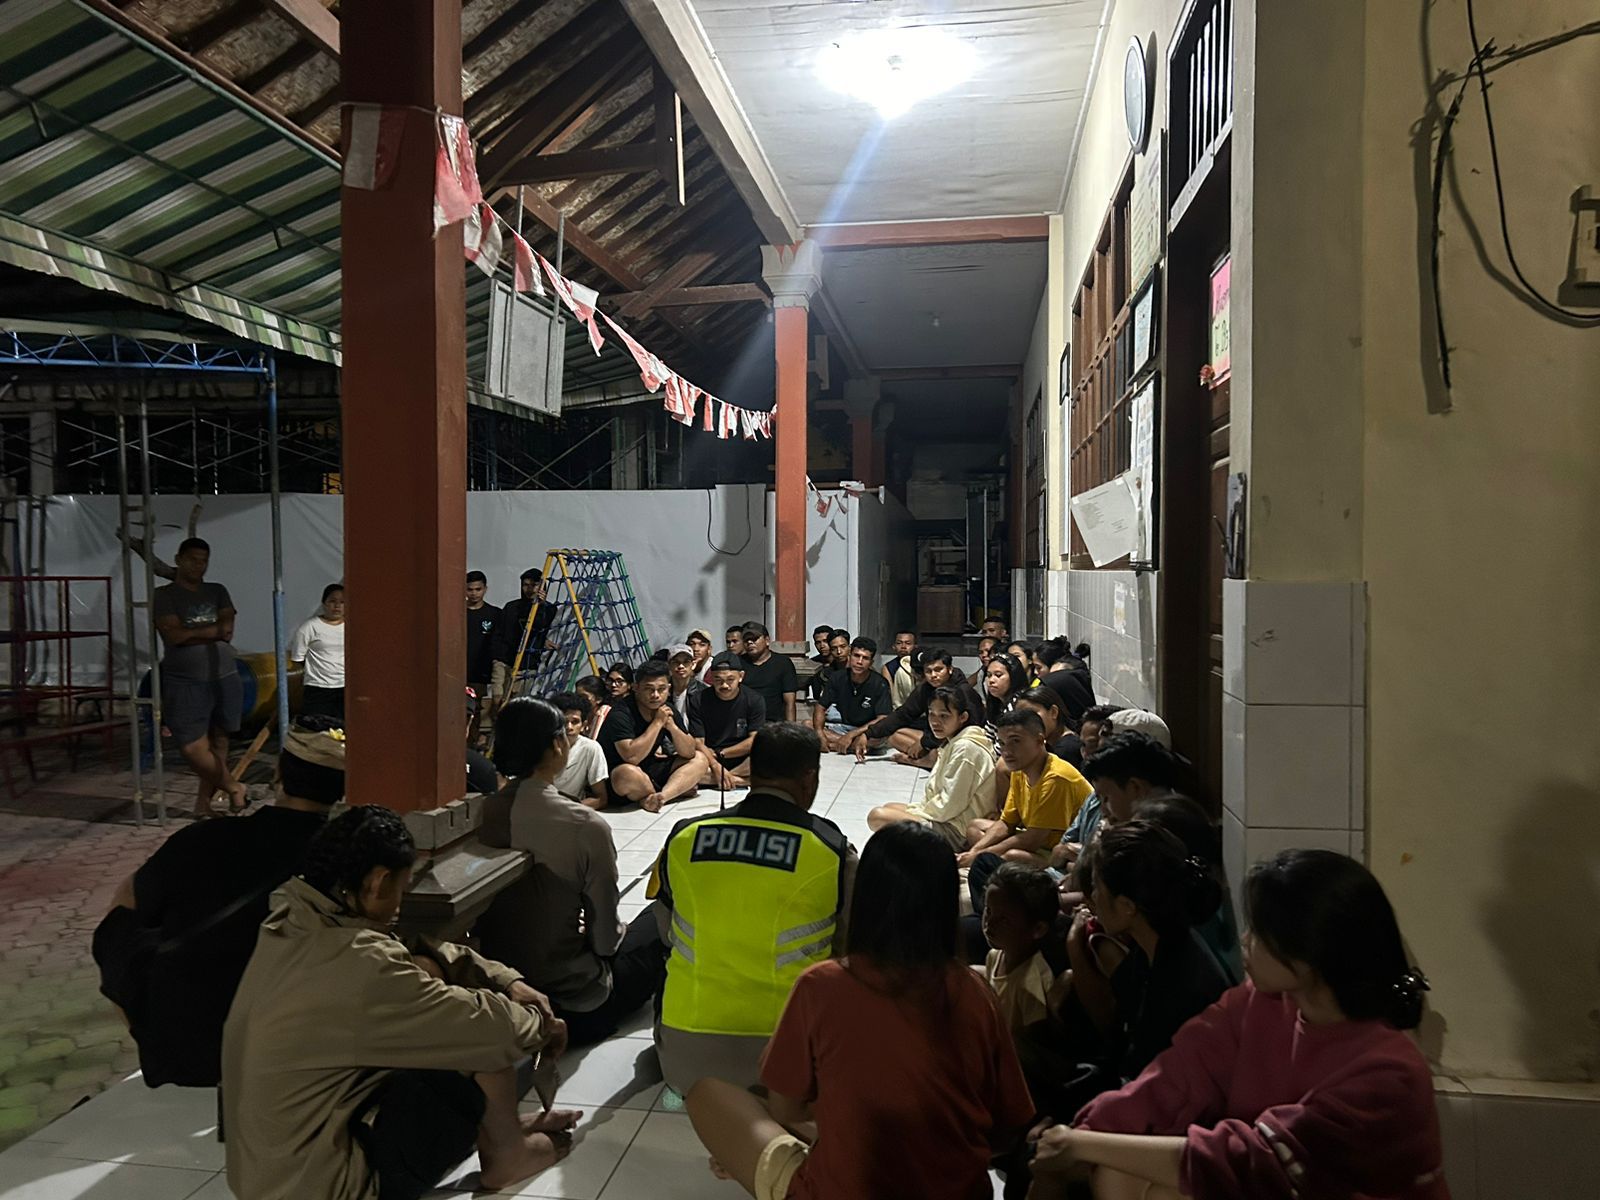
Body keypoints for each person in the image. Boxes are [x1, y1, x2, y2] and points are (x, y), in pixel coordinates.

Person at [1028, 850, 1445, 1200]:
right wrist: (1079, 1134)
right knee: (1114, 1171)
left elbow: (1254, 1161)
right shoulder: (1262, 1002)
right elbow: (1174, 1076)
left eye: (1259, 933)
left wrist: (1083, 1144)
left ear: (1312, 951)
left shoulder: (1388, 1072)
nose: (1245, 941)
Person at [222, 806, 579, 1200]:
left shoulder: (292, 918)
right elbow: (492, 1030)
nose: (399, 906)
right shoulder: (362, 965)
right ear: (378, 881)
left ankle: (500, 1130)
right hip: (328, 1188)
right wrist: (542, 1024)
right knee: (474, 1029)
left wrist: (507, 979)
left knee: (432, 975)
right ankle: (508, 1154)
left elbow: (414, 949)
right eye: (402, 888)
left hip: (268, 1173)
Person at [686, 820, 1034, 1200]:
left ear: (866, 897)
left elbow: (785, 1110)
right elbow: (1007, 1129)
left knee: (709, 1095)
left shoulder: (821, 986)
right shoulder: (977, 993)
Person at [92, 718, 346, 1088]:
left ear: (278, 773)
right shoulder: (342, 860)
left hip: (188, 1049)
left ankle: (151, 1036)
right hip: (283, 1048)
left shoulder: (204, 836)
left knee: (119, 931)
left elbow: (125, 904)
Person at [649, 723, 855, 1097]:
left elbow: (664, 930)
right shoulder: (832, 850)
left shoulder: (684, 836)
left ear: (752, 770)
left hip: (685, 1065)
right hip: (791, 1065)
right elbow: (852, 946)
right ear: (809, 778)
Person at [478, 699, 667, 1046]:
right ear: (557, 745)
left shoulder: (482, 812)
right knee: (658, 918)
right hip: (573, 1002)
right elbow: (605, 941)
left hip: (500, 988)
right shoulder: (583, 824)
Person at [152, 537, 246, 818]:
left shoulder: (217, 590)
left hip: (224, 675)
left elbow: (226, 631)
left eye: (203, 561)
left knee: (220, 740)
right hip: (185, 681)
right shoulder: (165, 595)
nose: (198, 565)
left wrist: (191, 633)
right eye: (193, 559)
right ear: (178, 559)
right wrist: (211, 631)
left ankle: (203, 803)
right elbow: (173, 636)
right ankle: (233, 787)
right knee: (192, 745)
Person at [961, 710, 1092, 871]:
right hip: (1038, 843)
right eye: (1002, 743)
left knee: (1012, 855)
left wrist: (978, 855)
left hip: (1061, 854)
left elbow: (1032, 840)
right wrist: (973, 852)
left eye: (1015, 741)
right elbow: (1006, 823)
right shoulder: (1020, 769)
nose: (1006, 751)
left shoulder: (1056, 778)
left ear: (1039, 740)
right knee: (975, 827)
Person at [867, 686, 995, 847]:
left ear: (962, 717)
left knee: (878, 817)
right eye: (931, 714)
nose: (935, 722)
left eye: (944, 716)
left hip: (958, 831)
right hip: (948, 818)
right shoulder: (955, 740)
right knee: (889, 808)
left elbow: (950, 805)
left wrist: (920, 813)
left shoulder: (966, 748)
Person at [600, 660, 706, 813]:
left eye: (661, 689)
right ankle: (663, 793)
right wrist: (657, 723)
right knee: (627, 772)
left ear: (669, 688)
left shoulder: (667, 709)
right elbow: (631, 757)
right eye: (649, 689)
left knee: (700, 759)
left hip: (648, 769)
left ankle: (660, 797)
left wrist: (672, 727)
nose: (656, 695)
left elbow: (689, 752)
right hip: (617, 777)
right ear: (636, 688)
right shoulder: (620, 713)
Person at [983, 863, 1064, 1037]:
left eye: (1004, 920)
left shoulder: (1031, 985)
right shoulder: (994, 956)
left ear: (1038, 929)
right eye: (988, 911)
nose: (989, 923)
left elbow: (1031, 1045)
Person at [863, 648, 983, 763]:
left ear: (950, 669)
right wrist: (868, 734)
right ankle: (930, 759)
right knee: (896, 736)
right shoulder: (927, 687)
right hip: (938, 735)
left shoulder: (963, 691)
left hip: (964, 741)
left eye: (938, 670)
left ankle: (922, 761)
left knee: (941, 752)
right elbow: (903, 714)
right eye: (928, 671)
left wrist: (925, 742)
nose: (933, 675)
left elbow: (974, 727)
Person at [690, 651, 766, 788]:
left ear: (741, 676)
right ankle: (738, 781)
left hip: (739, 758)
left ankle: (724, 778)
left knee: (768, 754)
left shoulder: (754, 700)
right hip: (709, 758)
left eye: (730, 680)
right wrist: (715, 764)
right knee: (688, 764)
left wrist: (722, 753)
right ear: (711, 678)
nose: (724, 685)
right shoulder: (699, 700)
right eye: (718, 680)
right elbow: (698, 741)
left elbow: (754, 740)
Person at [811, 636, 892, 759]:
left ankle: (837, 745)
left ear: (871, 662)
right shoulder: (838, 677)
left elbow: (883, 718)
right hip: (842, 727)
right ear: (850, 656)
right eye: (856, 656)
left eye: (865, 658)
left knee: (880, 738)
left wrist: (852, 735)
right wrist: (819, 733)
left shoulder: (879, 683)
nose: (859, 662)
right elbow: (820, 707)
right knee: (807, 726)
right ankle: (853, 746)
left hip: (866, 730)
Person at [491, 569, 555, 703]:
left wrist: (540, 606)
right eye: (526, 585)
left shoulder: (549, 609)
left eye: (534, 585)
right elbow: (499, 632)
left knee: (517, 701)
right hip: (505, 660)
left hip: (528, 663)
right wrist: (497, 656)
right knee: (498, 697)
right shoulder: (511, 607)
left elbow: (539, 626)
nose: (529, 589)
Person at [289, 583, 347, 721]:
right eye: (332, 601)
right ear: (324, 603)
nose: (337, 606)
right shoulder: (309, 627)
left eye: (342, 602)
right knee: (317, 726)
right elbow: (298, 658)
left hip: (344, 687)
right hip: (317, 688)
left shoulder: (351, 627)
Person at [548, 692, 610, 808]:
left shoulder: (590, 748)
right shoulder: (539, 745)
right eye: (564, 722)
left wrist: (569, 808)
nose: (569, 727)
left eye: (575, 722)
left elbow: (601, 798)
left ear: (583, 725)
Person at [739, 621, 798, 722]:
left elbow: (790, 702)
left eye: (754, 639)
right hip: (745, 721)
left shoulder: (782, 663)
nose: (750, 642)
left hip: (773, 723)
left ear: (767, 640)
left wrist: (790, 727)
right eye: (746, 640)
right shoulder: (738, 663)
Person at [466, 571, 502, 734]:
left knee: (475, 709)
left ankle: (472, 742)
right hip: (458, 671)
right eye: (470, 589)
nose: (474, 593)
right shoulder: (456, 613)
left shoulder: (494, 614)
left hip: (480, 672)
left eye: (478, 589)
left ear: (485, 589)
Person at [984, 652, 1032, 738]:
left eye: (998, 675)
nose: (991, 680)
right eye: (989, 675)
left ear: (1014, 677)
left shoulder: (1020, 704)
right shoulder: (996, 703)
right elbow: (988, 736)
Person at [666, 643, 708, 724]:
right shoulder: (662, 691)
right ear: (669, 665)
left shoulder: (703, 693)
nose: (681, 666)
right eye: (676, 662)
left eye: (686, 662)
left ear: (693, 665)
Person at [881, 630, 919, 707]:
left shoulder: (921, 665)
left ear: (915, 647)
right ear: (894, 647)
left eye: (908, 643)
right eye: (899, 643)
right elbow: (892, 696)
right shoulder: (888, 668)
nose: (903, 647)